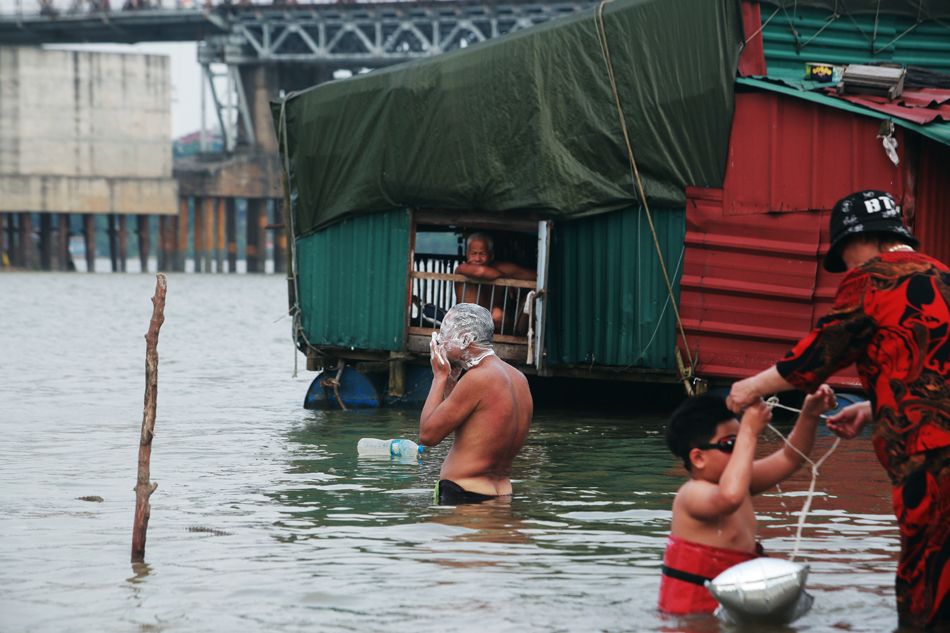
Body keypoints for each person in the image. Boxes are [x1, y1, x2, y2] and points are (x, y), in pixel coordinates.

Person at [727, 189, 950, 628]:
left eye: (843, 256)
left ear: (857, 241)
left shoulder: (870, 279)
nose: (844, 268)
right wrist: (872, 406)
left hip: (932, 458)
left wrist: (747, 388)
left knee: (926, 582)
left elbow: (814, 356)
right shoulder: (944, 275)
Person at [658, 387, 836, 615]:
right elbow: (728, 498)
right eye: (732, 444)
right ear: (699, 458)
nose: (743, 449)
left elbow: (791, 457)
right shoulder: (692, 494)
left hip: (734, 613)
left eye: (742, 439)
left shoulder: (740, 485)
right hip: (692, 621)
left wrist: (809, 414)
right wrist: (749, 431)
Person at [420, 303, 533, 505]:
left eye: (444, 334)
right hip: (501, 495)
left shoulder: (478, 378)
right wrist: (450, 383)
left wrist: (438, 377)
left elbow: (428, 436)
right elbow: (473, 430)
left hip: (465, 493)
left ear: (465, 340)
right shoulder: (519, 378)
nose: (439, 342)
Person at [454, 232, 537, 334]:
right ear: (467, 254)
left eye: (482, 254)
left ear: (491, 255)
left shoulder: (500, 268)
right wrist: (507, 279)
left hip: (499, 329)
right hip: (468, 328)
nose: (477, 259)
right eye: (473, 254)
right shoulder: (462, 269)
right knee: (496, 314)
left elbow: (534, 276)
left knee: (498, 314)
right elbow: (481, 272)